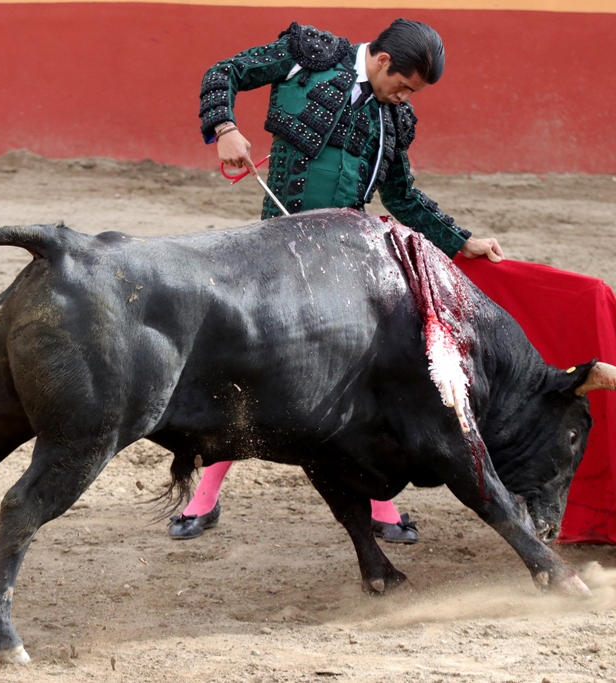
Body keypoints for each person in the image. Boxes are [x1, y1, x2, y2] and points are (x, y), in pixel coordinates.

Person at [171, 18, 504, 543]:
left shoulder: (396, 120)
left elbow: (402, 199)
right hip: (277, 250)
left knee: (365, 379)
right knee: (253, 371)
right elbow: (224, 72)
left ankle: (381, 506)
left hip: (348, 261)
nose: (403, 98)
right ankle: (204, 497)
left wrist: (462, 241)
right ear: (383, 61)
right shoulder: (309, 55)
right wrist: (225, 128)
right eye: (403, 85)